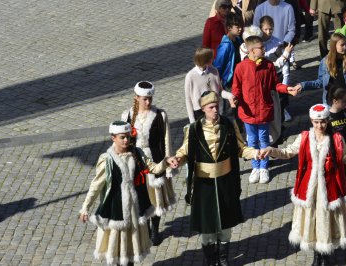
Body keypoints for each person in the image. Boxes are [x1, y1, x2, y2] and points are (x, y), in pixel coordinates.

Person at [262, 104, 346, 264]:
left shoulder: (337, 139)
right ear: (312, 121)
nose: (319, 126)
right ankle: (316, 256)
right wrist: (272, 150)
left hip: (330, 190)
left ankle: (325, 256)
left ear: (328, 121)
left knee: (327, 222)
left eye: (323, 122)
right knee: (312, 221)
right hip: (309, 190)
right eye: (316, 122)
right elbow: (288, 152)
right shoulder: (305, 137)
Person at [167, 93, 261, 265]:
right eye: (211, 107)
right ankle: (211, 259)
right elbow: (184, 152)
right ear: (203, 109)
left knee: (226, 225)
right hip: (204, 185)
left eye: (217, 106)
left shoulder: (229, 124)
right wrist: (177, 159)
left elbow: (241, 148)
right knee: (207, 227)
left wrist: (255, 153)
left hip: (226, 182)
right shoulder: (193, 129)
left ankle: (223, 258)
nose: (215, 110)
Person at [79, 122, 168, 266]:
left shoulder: (137, 154)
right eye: (122, 137)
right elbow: (96, 185)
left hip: (134, 212)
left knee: (130, 254)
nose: (126, 140)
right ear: (113, 138)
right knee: (118, 254)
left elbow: (153, 168)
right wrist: (85, 207)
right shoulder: (107, 160)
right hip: (116, 212)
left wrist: (166, 162)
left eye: (128, 137)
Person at [231, 32, 296, 185]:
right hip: (248, 113)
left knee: (264, 140)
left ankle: (264, 167)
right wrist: (235, 98)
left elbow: (275, 84)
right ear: (252, 51)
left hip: (264, 111)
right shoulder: (241, 68)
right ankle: (256, 166)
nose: (264, 49)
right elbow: (237, 88)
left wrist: (287, 89)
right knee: (252, 141)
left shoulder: (268, 66)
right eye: (261, 48)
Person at [120, 82, 177, 246]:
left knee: (155, 197)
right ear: (136, 98)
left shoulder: (160, 115)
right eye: (145, 99)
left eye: (150, 99)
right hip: (135, 161)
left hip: (155, 159)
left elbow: (166, 141)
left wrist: (167, 165)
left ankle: (155, 230)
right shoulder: (127, 116)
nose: (148, 102)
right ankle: (142, 228)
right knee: (138, 195)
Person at [184, 48, 225, 122]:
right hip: (199, 112)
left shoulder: (214, 71)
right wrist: (192, 119)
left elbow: (220, 90)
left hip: (214, 108)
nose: (213, 59)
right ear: (205, 60)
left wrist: (229, 95)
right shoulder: (190, 76)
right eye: (211, 58)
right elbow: (188, 99)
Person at [213, 13, 245, 89]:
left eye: (241, 26)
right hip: (230, 82)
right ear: (229, 27)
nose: (240, 28)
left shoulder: (238, 39)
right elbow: (218, 65)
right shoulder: (225, 45)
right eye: (237, 26)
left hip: (240, 79)